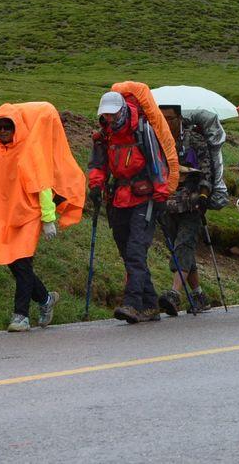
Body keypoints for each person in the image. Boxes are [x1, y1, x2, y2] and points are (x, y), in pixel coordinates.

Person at [0, 103, 85, 332]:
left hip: (28, 215)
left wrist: (48, 218)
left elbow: (42, 185)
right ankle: (45, 299)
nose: (3, 131)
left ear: (16, 127)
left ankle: (20, 315)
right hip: (2, 215)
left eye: (7, 126)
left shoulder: (29, 149)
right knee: (12, 263)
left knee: (22, 264)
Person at [87, 90, 172, 324]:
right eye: (106, 116)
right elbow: (97, 164)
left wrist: (162, 195)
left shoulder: (143, 131)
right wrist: (96, 185)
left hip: (145, 199)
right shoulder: (104, 136)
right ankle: (150, 303)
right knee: (127, 253)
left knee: (136, 251)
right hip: (118, 199)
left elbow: (157, 163)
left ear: (123, 111)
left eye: (113, 115)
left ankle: (133, 303)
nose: (110, 120)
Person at [157, 104, 213, 316]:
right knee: (180, 249)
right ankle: (199, 295)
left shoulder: (195, 140)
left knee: (183, 244)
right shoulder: (158, 140)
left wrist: (204, 194)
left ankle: (174, 293)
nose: (167, 122)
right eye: (162, 118)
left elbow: (207, 170)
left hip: (191, 202)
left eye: (170, 118)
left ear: (179, 118)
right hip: (167, 203)